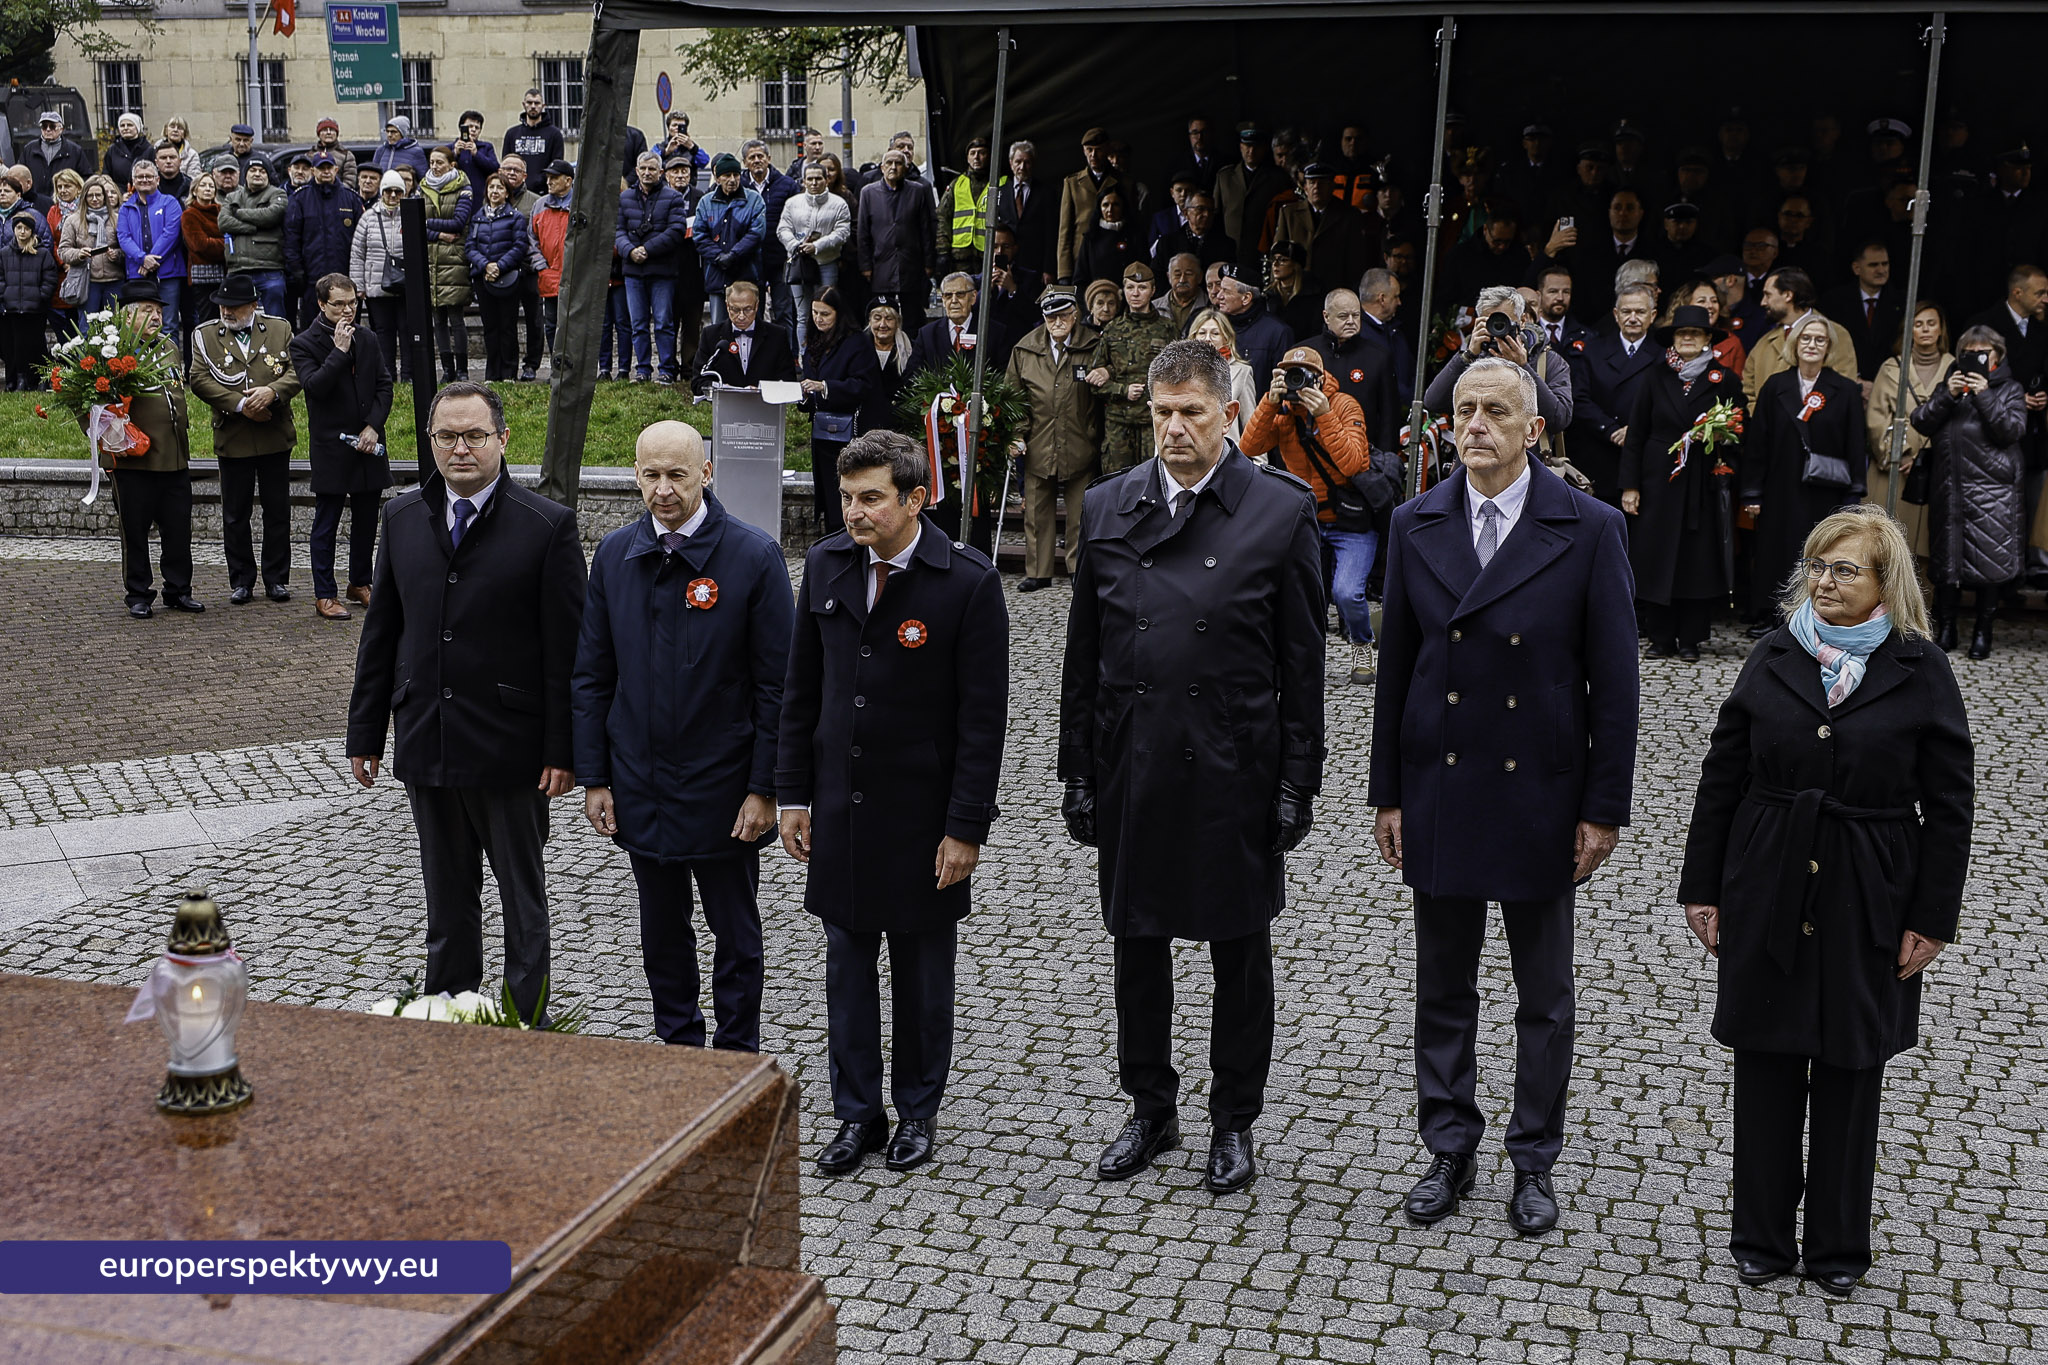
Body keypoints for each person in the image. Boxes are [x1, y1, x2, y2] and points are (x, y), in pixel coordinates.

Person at [1370, 356, 1639, 1238]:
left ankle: (1534, 1158)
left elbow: (1616, 682)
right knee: (1443, 984)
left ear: (1535, 429)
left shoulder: (1589, 527)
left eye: (1495, 411)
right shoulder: (1415, 522)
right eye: (1463, 410)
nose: (1475, 424)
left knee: (1543, 993)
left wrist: (1602, 808)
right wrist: (1388, 793)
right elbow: (1397, 672)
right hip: (1443, 781)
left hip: (1541, 791)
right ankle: (1448, 1143)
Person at [1679, 506, 1972, 1298]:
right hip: (1767, 876)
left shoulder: (1920, 667)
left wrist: (1932, 915)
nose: (1825, 581)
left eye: (1845, 569)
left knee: (1851, 1068)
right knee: (1767, 1062)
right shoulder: (1774, 654)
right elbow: (1721, 775)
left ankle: (1839, 1247)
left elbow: (1951, 804)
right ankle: (1762, 1238)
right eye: (1817, 565)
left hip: (1869, 889)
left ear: (1885, 582)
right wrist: (1702, 888)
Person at [1059, 337, 1324, 1194]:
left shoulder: (1279, 511)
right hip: (1134, 759)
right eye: (1162, 412)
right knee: (1138, 947)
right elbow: (1083, 657)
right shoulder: (1109, 506)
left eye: (1192, 414)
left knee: (1238, 953)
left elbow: (1303, 665)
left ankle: (1233, 1118)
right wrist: (1077, 771)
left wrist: (1297, 779)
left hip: (1233, 763)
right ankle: (1149, 1105)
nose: (1174, 428)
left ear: (1228, 416)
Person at [778, 429, 1009, 1176]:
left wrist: (964, 827)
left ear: (915, 498)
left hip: (921, 818)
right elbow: (800, 692)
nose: (854, 512)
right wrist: (791, 794)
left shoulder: (966, 582)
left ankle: (917, 1110)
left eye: (871, 497)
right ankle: (857, 1114)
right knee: (846, 972)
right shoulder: (825, 566)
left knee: (920, 975)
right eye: (846, 497)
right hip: (842, 810)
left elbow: (983, 721)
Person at [346, 381, 586, 1024]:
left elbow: (567, 653)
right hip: (428, 732)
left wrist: (565, 750)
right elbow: (384, 631)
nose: (460, 448)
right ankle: (445, 1013)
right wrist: (365, 729)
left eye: (474, 435)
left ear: (502, 440)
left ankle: (521, 1020)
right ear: (430, 442)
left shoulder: (547, 526)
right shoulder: (400, 518)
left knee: (521, 901)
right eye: (447, 436)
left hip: (512, 749)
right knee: (446, 902)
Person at [574, 421, 792, 1051]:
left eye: (677, 474)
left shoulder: (752, 557)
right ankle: (679, 1049)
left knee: (735, 933)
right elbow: (592, 675)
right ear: (634, 475)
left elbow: (778, 686)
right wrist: (596, 778)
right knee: (662, 933)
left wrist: (764, 788)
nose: (663, 490)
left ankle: (734, 1056)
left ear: (707, 472)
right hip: (641, 782)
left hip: (725, 787)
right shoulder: (615, 556)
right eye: (651, 475)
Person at [1241, 344, 1378, 683]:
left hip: (1351, 520)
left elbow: (1353, 463)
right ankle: (1300, 654)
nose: (1297, 383)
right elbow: (1248, 448)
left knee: (1347, 593)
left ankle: (1362, 642)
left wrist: (1325, 414)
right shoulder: (1284, 409)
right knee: (1294, 590)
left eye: (1303, 376)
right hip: (1305, 519)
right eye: (1291, 375)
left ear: (1319, 378)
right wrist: (1269, 401)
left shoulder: (1345, 404)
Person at [1620, 304, 1744, 659]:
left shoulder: (1726, 379)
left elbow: (1740, 430)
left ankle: (1690, 640)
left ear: (1707, 339)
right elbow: (1637, 434)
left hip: (1701, 485)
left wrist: (1723, 441)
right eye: (1681, 333)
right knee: (1655, 558)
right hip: (1658, 481)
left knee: (1697, 563)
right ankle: (1660, 638)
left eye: (1696, 333)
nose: (1688, 338)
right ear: (1674, 339)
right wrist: (1630, 486)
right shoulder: (1655, 376)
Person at [1911, 326, 2029, 657]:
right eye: (1969, 353)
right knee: (1947, 564)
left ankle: (1983, 631)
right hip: (1950, 491)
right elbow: (1920, 421)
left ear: (1998, 356)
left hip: (1994, 494)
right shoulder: (1950, 386)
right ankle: (1946, 628)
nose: (1975, 359)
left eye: (1983, 353)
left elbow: (2011, 430)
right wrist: (1947, 394)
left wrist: (1985, 393)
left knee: (1989, 566)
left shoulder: (2009, 389)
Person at [1743, 318, 1866, 632]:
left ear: (1828, 348)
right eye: (1806, 339)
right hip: (1780, 485)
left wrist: (1855, 492)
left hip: (1826, 489)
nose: (1812, 345)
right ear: (1795, 345)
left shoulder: (1845, 389)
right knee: (1776, 550)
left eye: (1819, 340)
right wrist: (1753, 491)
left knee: (1820, 551)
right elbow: (1758, 442)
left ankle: (1816, 617)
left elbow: (1855, 442)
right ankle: (1775, 615)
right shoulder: (1775, 386)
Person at [189, 272, 302, 604]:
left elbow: (297, 371)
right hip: (234, 435)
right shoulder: (206, 335)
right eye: (223, 306)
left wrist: (272, 392)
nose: (227, 313)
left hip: (273, 432)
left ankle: (276, 578)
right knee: (235, 513)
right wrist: (241, 405)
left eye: (235, 307)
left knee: (277, 510)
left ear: (254, 305)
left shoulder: (279, 329)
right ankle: (241, 580)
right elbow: (197, 377)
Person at [97, 278, 202, 616]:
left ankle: (178, 589)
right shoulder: (109, 352)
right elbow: (90, 406)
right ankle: (139, 593)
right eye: (147, 310)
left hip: (173, 456)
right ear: (128, 318)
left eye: (158, 310)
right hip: (133, 461)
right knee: (135, 531)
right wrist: (110, 434)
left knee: (178, 529)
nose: (156, 316)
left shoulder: (169, 346)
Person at [290, 272, 392, 621]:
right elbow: (315, 388)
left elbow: (384, 386)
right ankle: (325, 593)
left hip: (367, 442)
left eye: (353, 303)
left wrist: (374, 427)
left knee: (367, 519)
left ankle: (360, 582)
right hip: (331, 445)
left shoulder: (368, 338)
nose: (348, 310)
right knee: (327, 522)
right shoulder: (304, 343)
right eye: (339, 304)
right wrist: (338, 351)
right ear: (322, 304)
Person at [1005, 286, 1105, 591]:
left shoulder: (1094, 345)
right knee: (1036, 511)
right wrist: (1016, 435)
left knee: (1079, 513)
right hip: (1039, 443)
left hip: (1080, 441)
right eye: (1051, 316)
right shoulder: (1025, 349)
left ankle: (1077, 569)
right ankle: (1038, 572)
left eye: (1063, 315)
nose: (1057, 321)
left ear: (1075, 314)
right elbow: (1014, 398)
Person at [1564, 282, 1661, 504]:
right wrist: (1609, 428)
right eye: (1626, 312)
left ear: (1653, 315)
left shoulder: (1664, 353)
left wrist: (1636, 430)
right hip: (1601, 452)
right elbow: (1579, 399)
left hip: (1645, 457)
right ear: (1616, 315)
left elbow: (1668, 403)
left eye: (1640, 312)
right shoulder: (1594, 350)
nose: (1633, 318)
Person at [1865, 300, 1947, 556]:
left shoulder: (1955, 368)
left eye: (1931, 323)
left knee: (1927, 551)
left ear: (1941, 330)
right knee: (1885, 549)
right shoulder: (1891, 368)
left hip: (1938, 470)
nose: (1925, 329)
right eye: (1918, 324)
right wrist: (1904, 453)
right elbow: (1876, 418)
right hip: (1894, 469)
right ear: (1908, 330)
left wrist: (1927, 458)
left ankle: (1925, 598)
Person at [799, 287, 879, 535]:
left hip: (850, 431)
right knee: (826, 490)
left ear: (838, 314)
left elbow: (864, 385)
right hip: (822, 430)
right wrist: (803, 396)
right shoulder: (814, 341)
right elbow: (808, 379)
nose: (818, 318)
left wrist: (826, 387)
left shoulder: (856, 342)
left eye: (825, 313)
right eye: (814, 312)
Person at [1097, 262, 1178, 476]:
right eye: (1130, 287)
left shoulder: (1167, 328)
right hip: (1118, 423)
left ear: (1152, 291)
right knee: (1117, 483)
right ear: (1123, 290)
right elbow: (1094, 381)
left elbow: (1178, 376)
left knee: (1156, 479)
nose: (1135, 293)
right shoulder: (1112, 330)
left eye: (1142, 288)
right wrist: (1121, 389)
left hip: (1153, 421)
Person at [616, 152, 687, 384]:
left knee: (664, 322)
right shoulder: (624, 198)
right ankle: (643, 370)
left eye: (652, 169)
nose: (647, 173)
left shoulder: (673, 198)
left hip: (662, 271)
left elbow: (676, 230)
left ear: (661, 173)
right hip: (633, 272)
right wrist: (629, 250)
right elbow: (617, 231)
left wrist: (647, 249)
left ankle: (666, 369)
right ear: (636, 171)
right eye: (643, 168)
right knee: (638, 324)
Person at [1743, 269, 1857, 412]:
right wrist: (1765, 421)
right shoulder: (1764, 343)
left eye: (1768, 295)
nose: (1763, 302)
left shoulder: (1836, 335)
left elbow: (1843, 392)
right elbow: (1747, 391)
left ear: (1788, 295)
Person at [858, 150, 938, 332]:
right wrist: (865, 265)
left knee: (913, 317)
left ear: (906, 168)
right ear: (882, 168)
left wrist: (929, 262)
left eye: (898, 163)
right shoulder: (868, 193)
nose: (893, 167)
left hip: (911, 262)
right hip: (880, 263)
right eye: (889, 163)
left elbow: (926, 229)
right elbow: (863, 232)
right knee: (882, 313)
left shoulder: (917, 191)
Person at [779, 160, 852, 360]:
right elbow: (783, 229)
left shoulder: (838, 204)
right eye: (809, 179)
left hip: (826, 262)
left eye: (818, 178)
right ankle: (805, 358)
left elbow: (842, 232)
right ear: (803, 181)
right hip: (799, 264)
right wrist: (795, 245)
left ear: (826, 179)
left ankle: (829, 353)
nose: (814, 183)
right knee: (803, 315)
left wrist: (818, 246)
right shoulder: (792, 203)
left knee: (828, 310)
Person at [465, 173, 532, 382]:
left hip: (508, 278)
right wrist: (485, 265)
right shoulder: (478, 217)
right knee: (490, 328)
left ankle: (508, 372)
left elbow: (519, 246)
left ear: (507, 193)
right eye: (491, 187)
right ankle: (492, 373)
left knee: (507, 327)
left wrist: (499, 266)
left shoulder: (516, 217)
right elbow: (470, 246)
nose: (495, 191)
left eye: (500, 188)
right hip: (483, 278)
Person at [284, 156, 361, 336]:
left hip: (345, 280)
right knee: (312, 332)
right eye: (321, 168)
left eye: (329, 168)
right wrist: (297, 272)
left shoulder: (350, 199)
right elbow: (291, 239)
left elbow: (359, 241)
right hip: (312, 281)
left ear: (336, 170)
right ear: (313, 171)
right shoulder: (300, 199)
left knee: (347, 330)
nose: (325, 171)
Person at [419, 146, 475, 384]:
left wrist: (429, 223)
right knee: (438, 320)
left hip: (454, 260)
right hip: (431, 260)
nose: (434, 166)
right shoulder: (423, 188)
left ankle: (462, 368)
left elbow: (459, 222)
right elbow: (414, 224)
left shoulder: (463, 188)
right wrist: (439, 234)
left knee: (456, 318)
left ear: (451, 165)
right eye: (431, 162)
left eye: (439, 162)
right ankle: (447, 368)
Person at [350, 172, 409, 381]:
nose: (393, 195)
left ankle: (409, 375)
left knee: (407, 331)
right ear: (382, 192)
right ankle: (388, 375)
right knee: (383, 333)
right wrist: (358, 285)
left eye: (398, 191)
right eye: (389, 191)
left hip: (405, 286)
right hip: (377, 285)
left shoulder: (410, 214)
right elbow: (358, 253)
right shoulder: (368, 217)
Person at [697, 152, 767, 325]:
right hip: (717, 274)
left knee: (749, 325)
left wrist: (734, 255)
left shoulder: (754, 200)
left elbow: (756, 233)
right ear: (717, 178)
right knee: (718, 327)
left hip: (747, 272)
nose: (732, 179)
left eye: (736, 174)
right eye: (726, 175)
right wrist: (718, 256)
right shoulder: (706, 202)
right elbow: (700, 235)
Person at [1819, 242, 1904, 385]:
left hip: (1890, 384)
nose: (1881, 270)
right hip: (1845, 381)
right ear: (1856, 268)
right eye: (1873, 265)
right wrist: (1855, 380)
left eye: (1885, 264)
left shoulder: (1903, 302)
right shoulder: (1834, 301)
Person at [118, 160, 184, 341]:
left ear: (157, 179)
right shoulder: (126, 208)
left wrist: (151, 262)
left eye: (149, 176)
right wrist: (142, 258)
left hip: (168, 273)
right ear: (133, 181)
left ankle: (170, 366)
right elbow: (123, 237)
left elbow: (171, 233)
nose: (144, 180)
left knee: (168, 323)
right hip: (137, 274)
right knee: (137, 324)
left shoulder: (170, 203)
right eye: (140, 176)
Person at [694, 280, 797, 393]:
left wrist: (762, 391)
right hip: (727, 406)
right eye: (735, 309)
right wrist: (721, 388)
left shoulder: (777, 335)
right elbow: (698, 381)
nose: (741, 316)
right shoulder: (711, 335)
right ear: (727, 306)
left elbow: (788, 380)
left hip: (765, 407)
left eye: (747, 309)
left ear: (757, 306)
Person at [219, 159, 288, 320]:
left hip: (270, 270)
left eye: (262, 171)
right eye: (253, 170)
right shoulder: (232, 197)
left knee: (275, 321)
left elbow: (271, 215)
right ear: (245, 175)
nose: (257, 174)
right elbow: (223, 222)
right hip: (237, 269)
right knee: (234, 318)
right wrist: (252, 227)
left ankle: (277, 346)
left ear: (269, 176)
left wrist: (239, 213)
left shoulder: (278, 194)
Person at [0, 209, 56, 389]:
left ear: (32, 231)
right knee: (17, 345)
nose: (22, 231)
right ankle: (21, 378)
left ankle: (41, 377)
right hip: (14, 307)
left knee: (37, 343)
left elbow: (50, 277)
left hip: (35, 308)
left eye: (26, 228)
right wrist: (5, 294)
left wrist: (41, 296)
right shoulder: (5, 253)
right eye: (18, 227)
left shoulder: (41, 253)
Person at [1212, 263, 1294, 382]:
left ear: (1246, 298)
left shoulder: (1277, 332)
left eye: (1226, 291)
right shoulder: (1213, 325)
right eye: (1220, 289)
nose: (1219, 296)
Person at [1187, 307, 1260, 440]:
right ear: (1193, 337)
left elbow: (1251, 423)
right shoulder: (1180, 370)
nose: (1207, 338)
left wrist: (1257, 459)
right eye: (1202, 333)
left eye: (1215, 334)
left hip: (1227, 453)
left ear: (1226, 338)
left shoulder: (1242, 371)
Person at [1057, 128, 1118, 284]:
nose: (1093, 155)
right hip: (1080, 259)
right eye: (1089, 150)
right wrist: (1064, 272)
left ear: (1107, 150)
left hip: (1113, 257)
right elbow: (1065, 230)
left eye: (1098, 150)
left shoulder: (1122, 181)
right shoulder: (1072, 183)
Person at [58, 174, 124, 315]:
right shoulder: (73, 220)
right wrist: (79, 254)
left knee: (115, 327)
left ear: (104, 197)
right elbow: (63, 250)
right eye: (90, 196)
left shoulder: (117, 219)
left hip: (114, 280)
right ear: (84, 198)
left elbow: (127, 247)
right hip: (87, 281)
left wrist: (117, 254)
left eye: (98, 195)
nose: (95, 199)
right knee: (87, 327)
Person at [532, 160, 573, 365]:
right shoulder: (540, 205)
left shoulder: (580, 204)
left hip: (574, 276)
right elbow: (531, 239)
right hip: (548, 275)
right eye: (548, 177)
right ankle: (557, 365)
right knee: (551, 324)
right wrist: (540, 265)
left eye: (554, 178)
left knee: (573, 325)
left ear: (568, 180)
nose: (549, 182)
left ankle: (574, 366)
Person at [180, 173, 226, 339]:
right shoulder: (189, 215)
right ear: (194, 191)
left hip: (224, 274)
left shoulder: (222, 212)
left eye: (211, 186)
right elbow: (199, 245)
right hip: (203, 277)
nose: (208, 189)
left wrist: (216, 243)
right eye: (203, 185)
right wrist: (225, 244)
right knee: (208, 322)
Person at [863, 299, 916, 434]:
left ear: (897, 322)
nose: (883, 324)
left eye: (889, 319)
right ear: (870, 321)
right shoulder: (858, 348)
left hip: (899, 422)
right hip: (866, 422)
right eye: (877, 318)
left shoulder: (911, 348)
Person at [504, 92, 563, 195]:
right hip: (514, 192)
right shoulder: (512, 134)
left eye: (537, 103)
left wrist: (540, 181)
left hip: (543, 192)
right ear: (524, 104)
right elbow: (506, 163)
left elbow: (556, 166)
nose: (533, 106)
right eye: (529, 102)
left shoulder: (554, 134)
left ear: (543, 106)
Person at [26, 111, 93, 198]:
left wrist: (74, 193)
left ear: (61, 129)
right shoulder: (29, 149)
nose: (48, 129)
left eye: (52, 126)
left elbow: (86, 177)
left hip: (64, 201)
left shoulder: (75, 150)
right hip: (35, 200)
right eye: (44, 126)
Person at [450, 111, 499, 201]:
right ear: (462, 128)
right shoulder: (450, 147)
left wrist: (477, 154)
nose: (473, 130)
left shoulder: (486, 147)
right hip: (457, 196)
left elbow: (495, 168)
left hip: (480, 196)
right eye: (469, 126)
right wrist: (455, 153)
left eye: (477, 127)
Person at [104, 114, 155, 193]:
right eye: (122, 125)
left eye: (130, 125)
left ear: (137, 128)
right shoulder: (112, 150)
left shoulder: (148, 149)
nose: (126, 128)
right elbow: (106, 176)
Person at [370, 116, 429, 181]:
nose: (389, 135)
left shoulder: (416, 152)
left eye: (394, 132)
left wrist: (415, 190)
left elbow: (423, 179)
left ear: (402, 133)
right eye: (387, 131)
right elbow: (373, 174)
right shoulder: (381, 150)